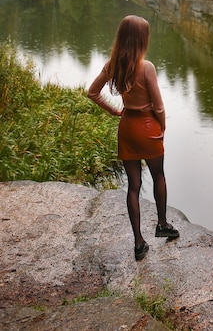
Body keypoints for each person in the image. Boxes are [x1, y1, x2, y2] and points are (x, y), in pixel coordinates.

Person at [87, 15, 179, 261]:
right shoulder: (146, 67)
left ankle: (139, 243)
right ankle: (162, 225)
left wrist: (116, 110)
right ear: (141, 39)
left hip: (127, 127)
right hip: (148, 127)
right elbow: (158, 106)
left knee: (133, 186)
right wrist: (163, 127)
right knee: (159, 176)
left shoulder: (112, 65)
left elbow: (92, 92)